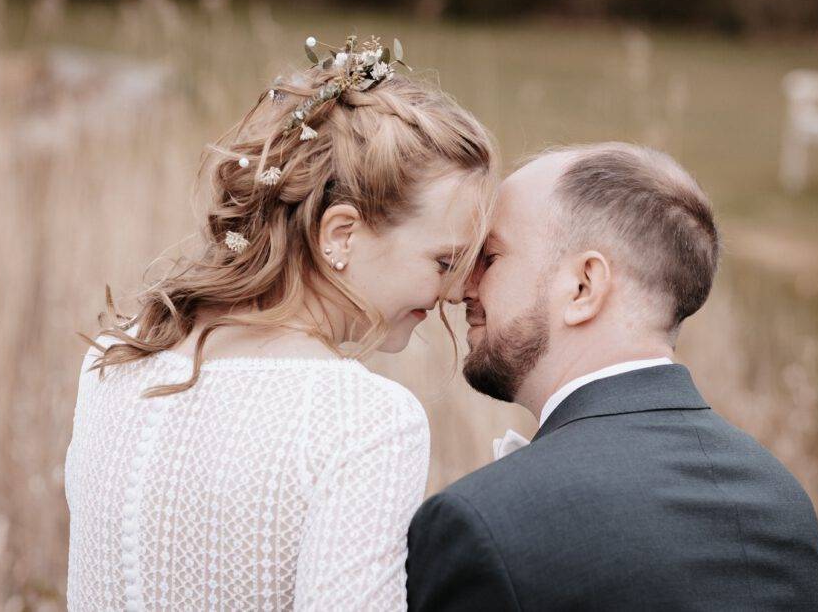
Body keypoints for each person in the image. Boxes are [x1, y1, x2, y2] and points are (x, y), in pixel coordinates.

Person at [64, 36, 497, 610]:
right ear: (341, 234)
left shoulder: (111, 364)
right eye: (444, 262)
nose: (453, 293)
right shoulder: (364, 421)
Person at [406, 142, 818, 610]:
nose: (462, 287)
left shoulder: (483, 524)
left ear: (584, 287)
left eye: (491, 257)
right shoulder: (782, 500)